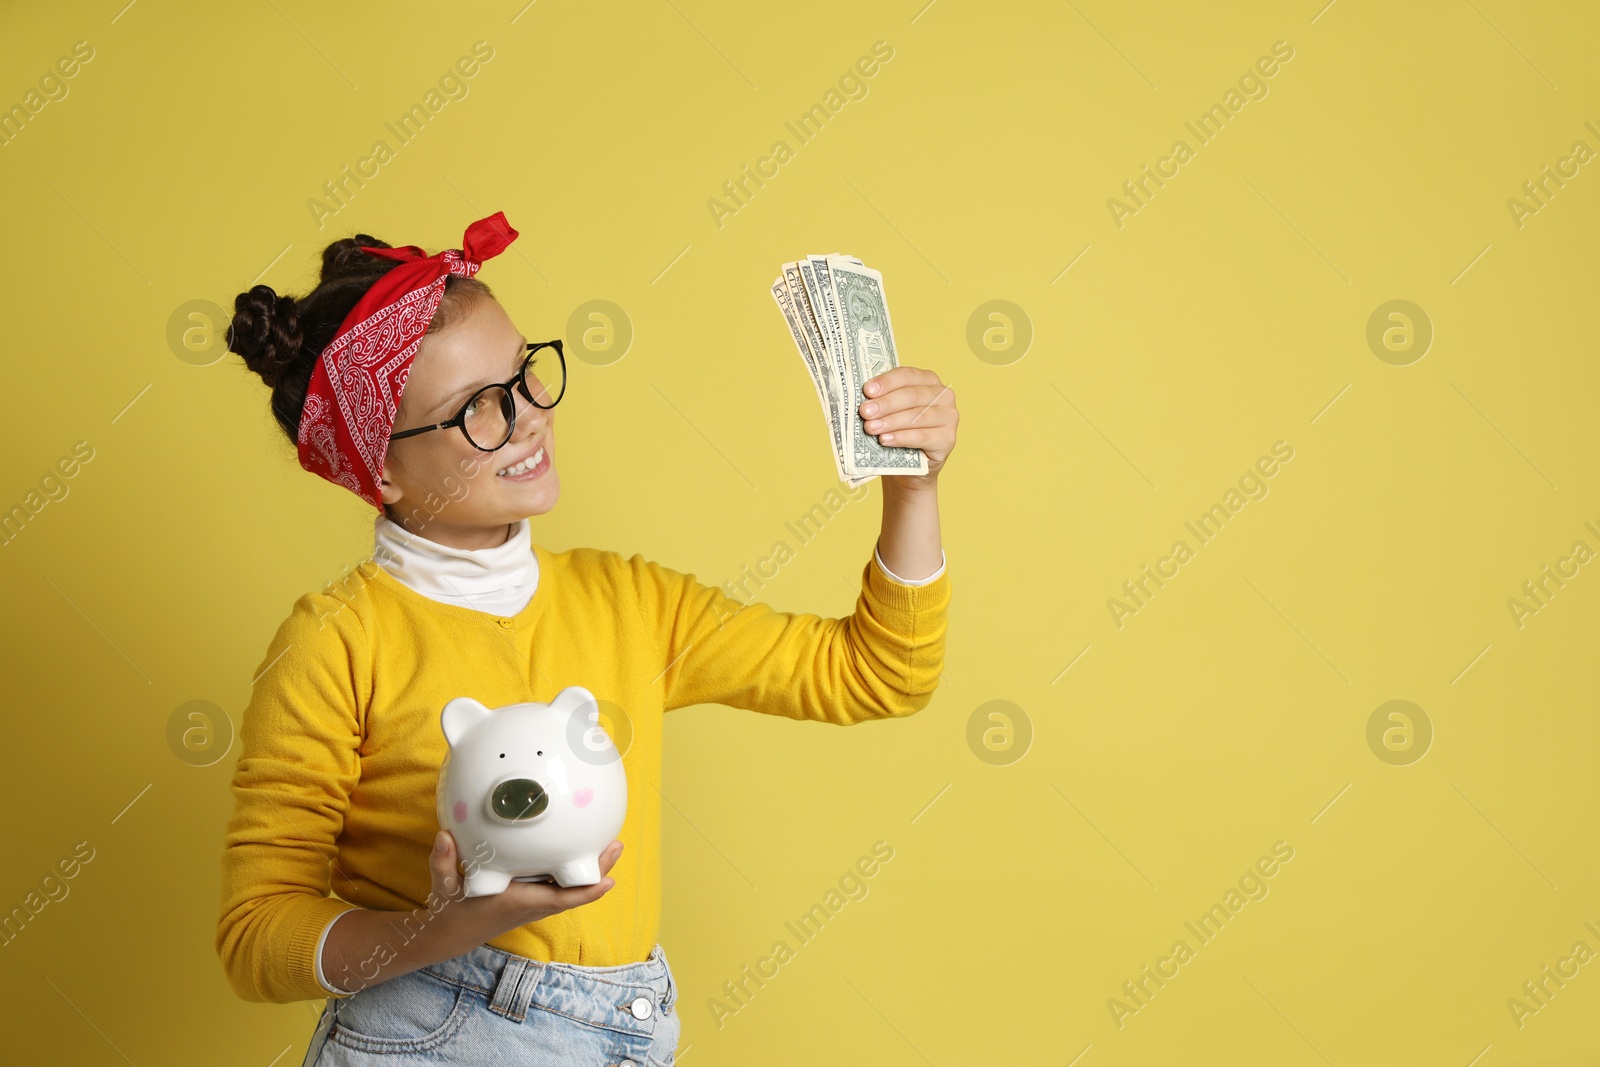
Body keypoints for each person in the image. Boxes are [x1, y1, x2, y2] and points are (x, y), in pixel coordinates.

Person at [213, 211, 957, 1066]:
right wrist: (446, 927)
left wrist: (915, 488)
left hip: (622, 1027)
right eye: (476, 411)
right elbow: (256, 934)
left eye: (524, 376)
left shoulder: (627, 601)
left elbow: (878, 674)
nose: (527, 416)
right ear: (379, 465)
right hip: (424, 1033)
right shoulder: (336, 642)